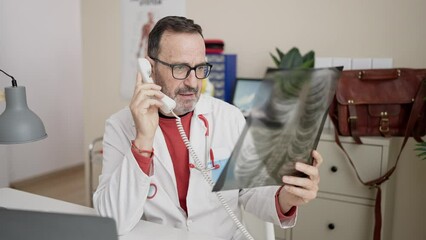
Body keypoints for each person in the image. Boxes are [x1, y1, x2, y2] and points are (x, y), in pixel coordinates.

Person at [93, 16, 322, 240]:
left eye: (200, 68)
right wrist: (143, 140)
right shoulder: (120, 127)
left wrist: (287, 198)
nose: (193, 82)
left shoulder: (228, 118)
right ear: (149, 68)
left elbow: (251, 192)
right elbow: (112, 221)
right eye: (180, 68)